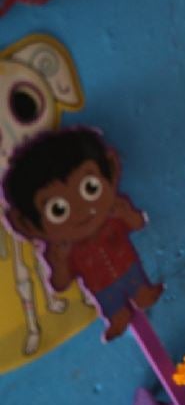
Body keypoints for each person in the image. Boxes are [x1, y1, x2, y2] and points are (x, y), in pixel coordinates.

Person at [3, 128, 164, 342]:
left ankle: (144, 294)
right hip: (102, 287)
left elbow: (138, 223)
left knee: (141, 291)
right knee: (114, 308)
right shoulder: (62, 250)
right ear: (27, 225)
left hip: (129, 268)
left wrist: (127, 213)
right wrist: (59, 262)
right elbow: (60, 283)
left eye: (90, 188)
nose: (80, 210)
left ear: (111, 169)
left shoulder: (115, 214)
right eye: (58, 210)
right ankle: (118, 319)